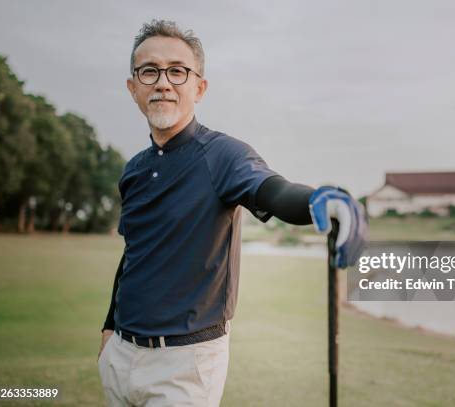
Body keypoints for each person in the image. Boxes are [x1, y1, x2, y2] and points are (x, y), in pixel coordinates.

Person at [97, 19, 367, 407]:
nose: (163, 82)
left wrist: (319, 201)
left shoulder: (224, 155)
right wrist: (109, 328)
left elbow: (275, 191)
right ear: (133, 87)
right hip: (120, 357)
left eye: (177, 71)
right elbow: (133, 254)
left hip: (184, 366)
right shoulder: (134, 169)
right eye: (149, 71)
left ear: (199, 87)